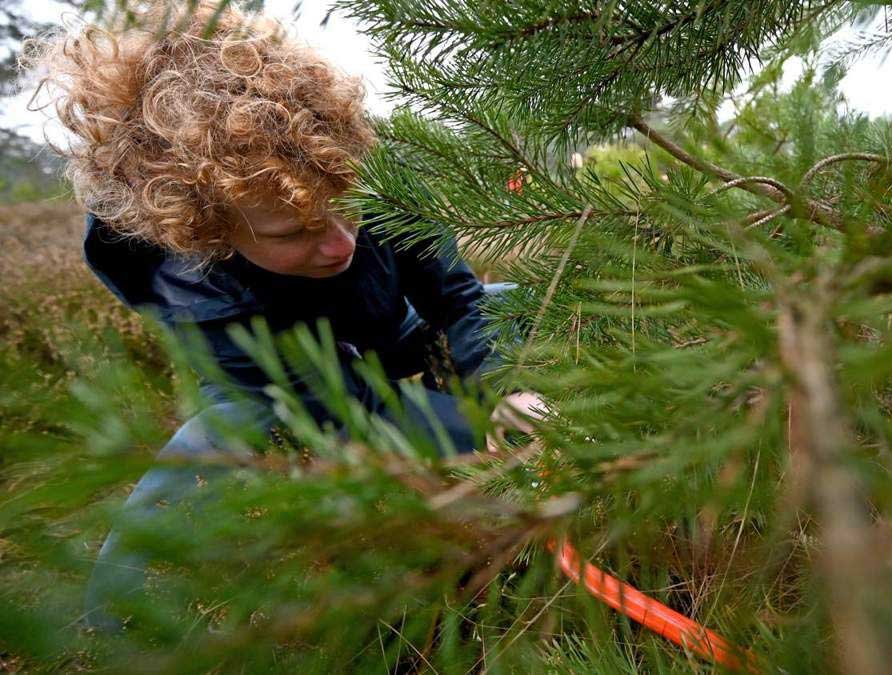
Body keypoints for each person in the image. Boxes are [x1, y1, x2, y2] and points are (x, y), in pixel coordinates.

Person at [25, 1, 542, 629]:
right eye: (293, 231)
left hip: (382, 330)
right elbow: (352, 415)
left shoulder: (367, 168)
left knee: (506, 300)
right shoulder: (193, 283)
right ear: (206, 231)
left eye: (345, 207)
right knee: (232, 428)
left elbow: (454, 298)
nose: (340, 244)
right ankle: (110, 628)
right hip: (287, 387)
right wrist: (523, 454)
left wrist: (505, 395)